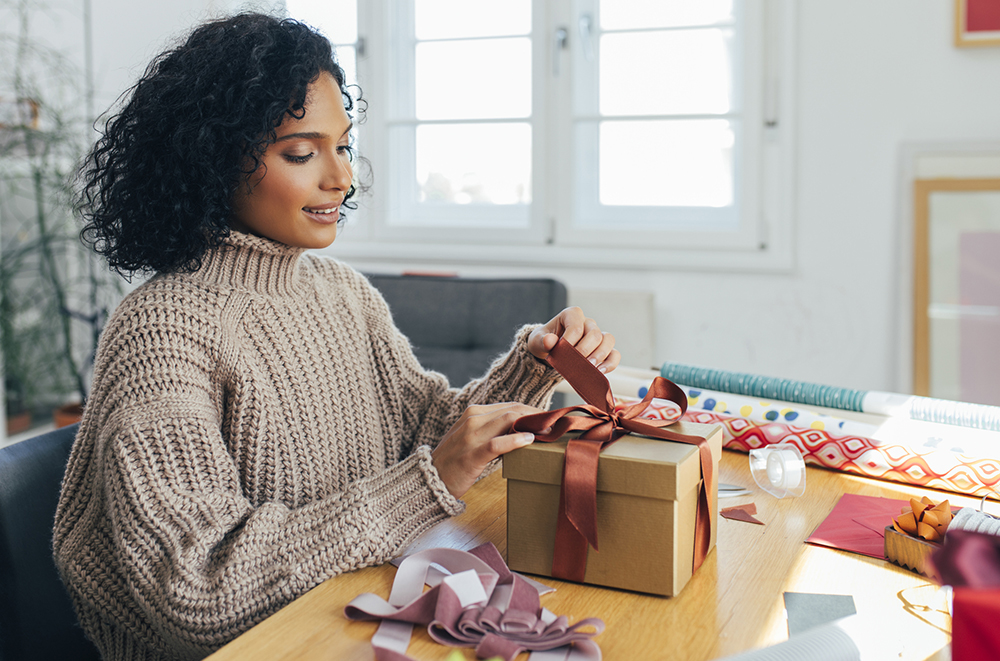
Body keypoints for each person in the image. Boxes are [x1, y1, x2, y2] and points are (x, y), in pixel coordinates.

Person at [52, 13, 620, 661]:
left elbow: (430, 434)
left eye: (343, 146)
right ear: (211, 159)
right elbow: (200, 588)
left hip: (356, 613)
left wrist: (533, 365)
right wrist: (429, 478)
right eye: (301, 152)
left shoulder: (340, 292)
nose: (340, 178)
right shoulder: (161, 332)